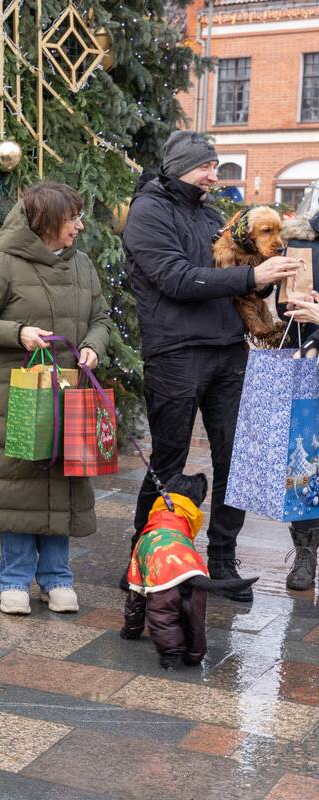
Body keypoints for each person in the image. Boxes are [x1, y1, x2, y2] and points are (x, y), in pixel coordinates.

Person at [123, 131, 303, 602]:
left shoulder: (209, 215)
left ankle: (222, 559)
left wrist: (263, 280)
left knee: (234, 461)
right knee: (169, 459)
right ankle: (143, 557)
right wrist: (250, 275)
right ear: (182, 166)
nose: (213, 174)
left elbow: (236, 274)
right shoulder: (148, 212)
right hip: (176, 352)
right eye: (206, 166)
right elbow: (176, 279)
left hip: (228, 350)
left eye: (215, 166)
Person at [0, 182, 111, 615]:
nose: (79, 226)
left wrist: (93, 346)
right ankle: (13, 580)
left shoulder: (82, 264)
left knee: (64, 480)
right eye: (72, 218)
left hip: (70, 395)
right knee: (18, 483)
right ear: (46, 222)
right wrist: (19, 333)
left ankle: (57, 578)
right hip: (21, 397)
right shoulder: (5, 263)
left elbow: (101, 318)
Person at [279, 204, 319, 591]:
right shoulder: (304, 244)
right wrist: (296, 306)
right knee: (304, 461)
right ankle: (305, 552)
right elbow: (284, 307)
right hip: (310, 367)